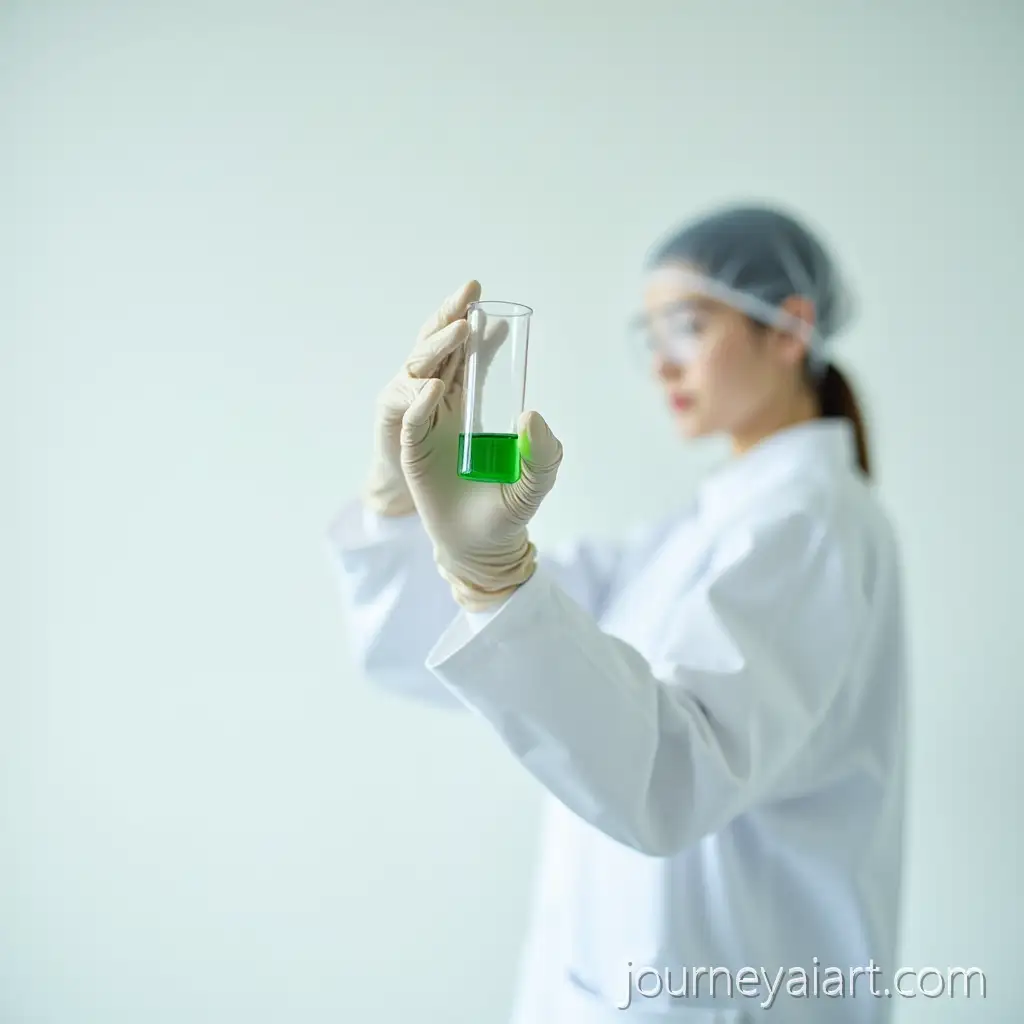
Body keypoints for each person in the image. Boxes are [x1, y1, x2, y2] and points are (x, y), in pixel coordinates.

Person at [327, 204, 908, 1023]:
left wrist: (499, 583)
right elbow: (459, 649)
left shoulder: (811, 524)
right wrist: (398, 511)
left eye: (689, 327)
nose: (662, 365)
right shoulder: (699, 531)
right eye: (651, 337)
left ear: (790, 329)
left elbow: (676, 776)